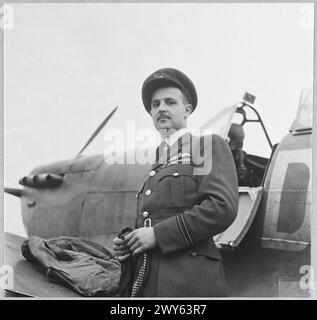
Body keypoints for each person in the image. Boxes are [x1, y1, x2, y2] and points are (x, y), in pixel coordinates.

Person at [113, 68, 239, 297]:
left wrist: (158, 235)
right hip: (150, 282)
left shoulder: (206, 145)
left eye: (170, 102)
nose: (161, 108)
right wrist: (132, 242)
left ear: (187, 109)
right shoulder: (158, 161)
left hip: (189, 283)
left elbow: (221, 207)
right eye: (155, 104)